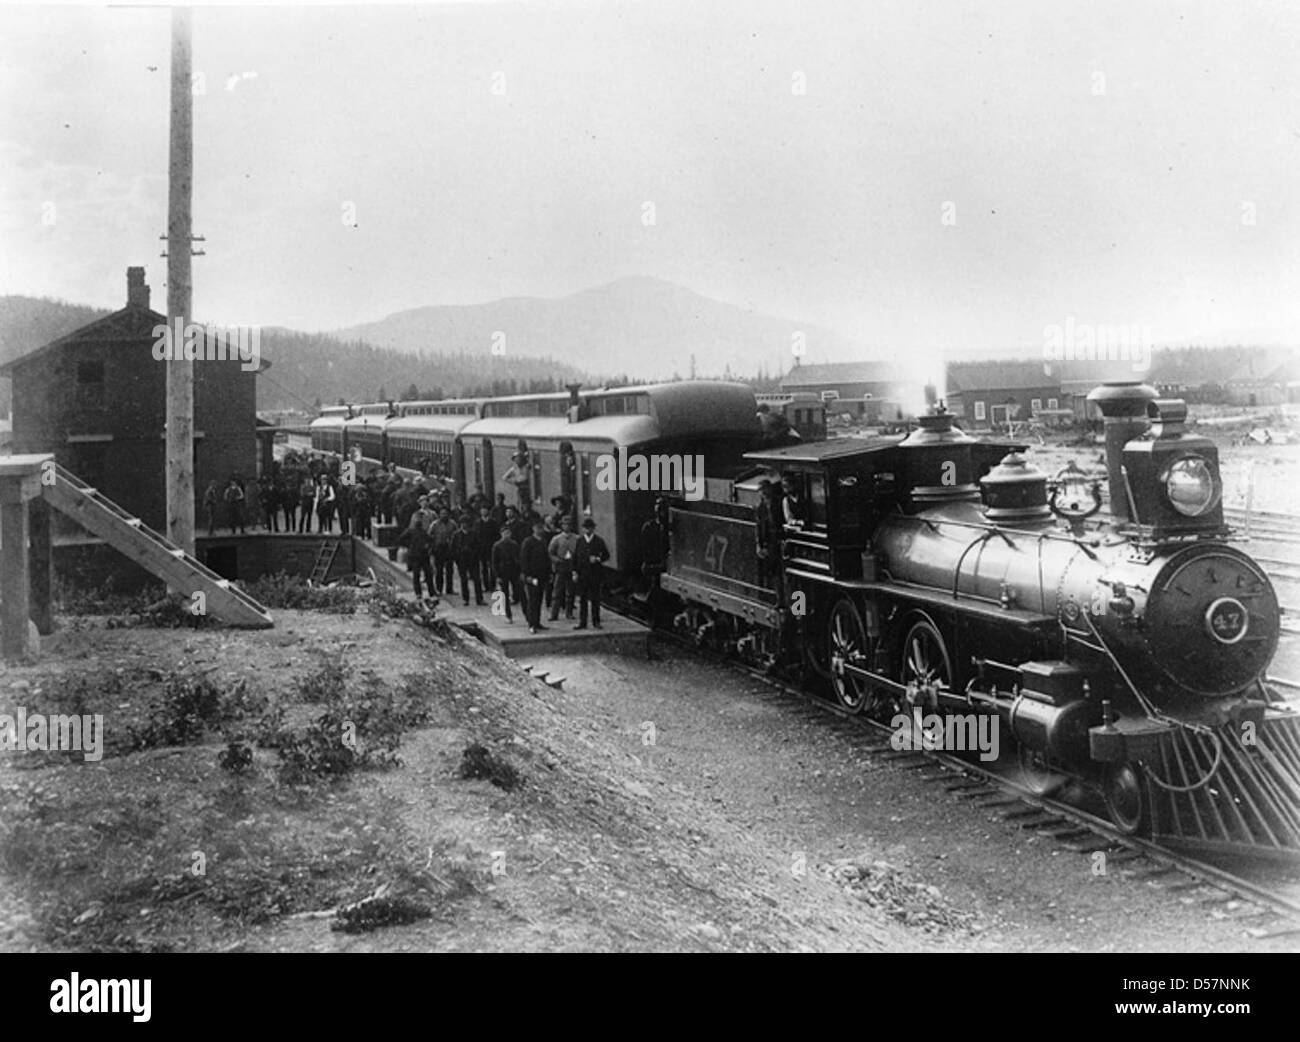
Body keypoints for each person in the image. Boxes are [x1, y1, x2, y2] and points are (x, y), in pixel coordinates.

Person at [572, 517, 610, 629]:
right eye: (585, 528)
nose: (587, 530)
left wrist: (598, 559)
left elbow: (606, 555)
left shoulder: (599, 541)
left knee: (595, 599)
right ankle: (582, 622)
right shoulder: (580, 541)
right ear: (583, 529)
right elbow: (575, 558)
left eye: (590, 528)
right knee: (582, 599)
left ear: (593, 529)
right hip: (582, 574)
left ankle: (596, 621)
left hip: (595, 574)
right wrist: (575, 572)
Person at [520, 521, 551, 633]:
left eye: (541, 528)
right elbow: (524, 559)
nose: (539, 530)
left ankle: (537, 622)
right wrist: (527, 575)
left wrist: (548, 573)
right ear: (533, 528)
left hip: (541, 575)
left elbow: (546, 558)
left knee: (539, 600)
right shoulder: (528, 542)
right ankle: (531, 624)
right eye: (537, 528)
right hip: (532, 576)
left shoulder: (543, 541)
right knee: (532, 600)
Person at [398, 512, 435, 601]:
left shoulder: (422, 532)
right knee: (418, 575)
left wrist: (428, 546)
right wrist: (409, 546)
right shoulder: (411, 531)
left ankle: (430, 592)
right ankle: (420, 593)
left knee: (427, 574)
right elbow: (401, 539)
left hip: (422, 555)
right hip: (415, 556)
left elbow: (430, 540)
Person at [490, 525, 523, 622]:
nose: (506, 535)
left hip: (514, 571)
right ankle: (508, 615)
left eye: (508, 533)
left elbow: (519, 558)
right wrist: (497, 575)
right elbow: (494, 561)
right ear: (501, 534)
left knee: (518, 590)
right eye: (505, 533)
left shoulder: (514, 544)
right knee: (504, 593)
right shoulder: (497, 545)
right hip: (503, 571)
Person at [548, 515, 578, 621]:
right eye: (565, 524)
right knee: (557, 592)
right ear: (562, 526)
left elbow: (579, 553)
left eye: (569, 524)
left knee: (571, 592)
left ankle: (569, 613)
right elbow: (550, 553)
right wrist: (556, 560)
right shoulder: (556, 539)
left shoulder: (576, 538)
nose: (567, 526)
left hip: (571, 566)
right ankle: (554, 614)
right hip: (560, 567)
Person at [451, 514, 483, 606]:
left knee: (477, 580)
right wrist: (456, 559)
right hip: (462, 560)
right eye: (462, 523)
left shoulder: (474, 534)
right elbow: (453, 548)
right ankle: (465, 599)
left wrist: (476, 555)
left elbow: (479, 546)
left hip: (473, 560)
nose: (463, 525)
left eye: (465, 523)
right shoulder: (456, 535)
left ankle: (479, 599)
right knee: (463, 580)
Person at [640, 498, 669, 594]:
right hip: (654, 562)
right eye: (659, 511)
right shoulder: (649, 527)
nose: (661, 514)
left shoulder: (668, 528)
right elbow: (645, 548)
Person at [429, 507, 457, 596]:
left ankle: (449, 589)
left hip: (449, 549)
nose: (444, 515)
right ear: (439, 515)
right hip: (438, 549)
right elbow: (429, 535)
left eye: (445, 513)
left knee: (449, 570)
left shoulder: (452, 524)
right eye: (442, 513)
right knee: (439, 570)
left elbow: (456, 535)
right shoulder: (434, 524)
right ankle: (439, 589)